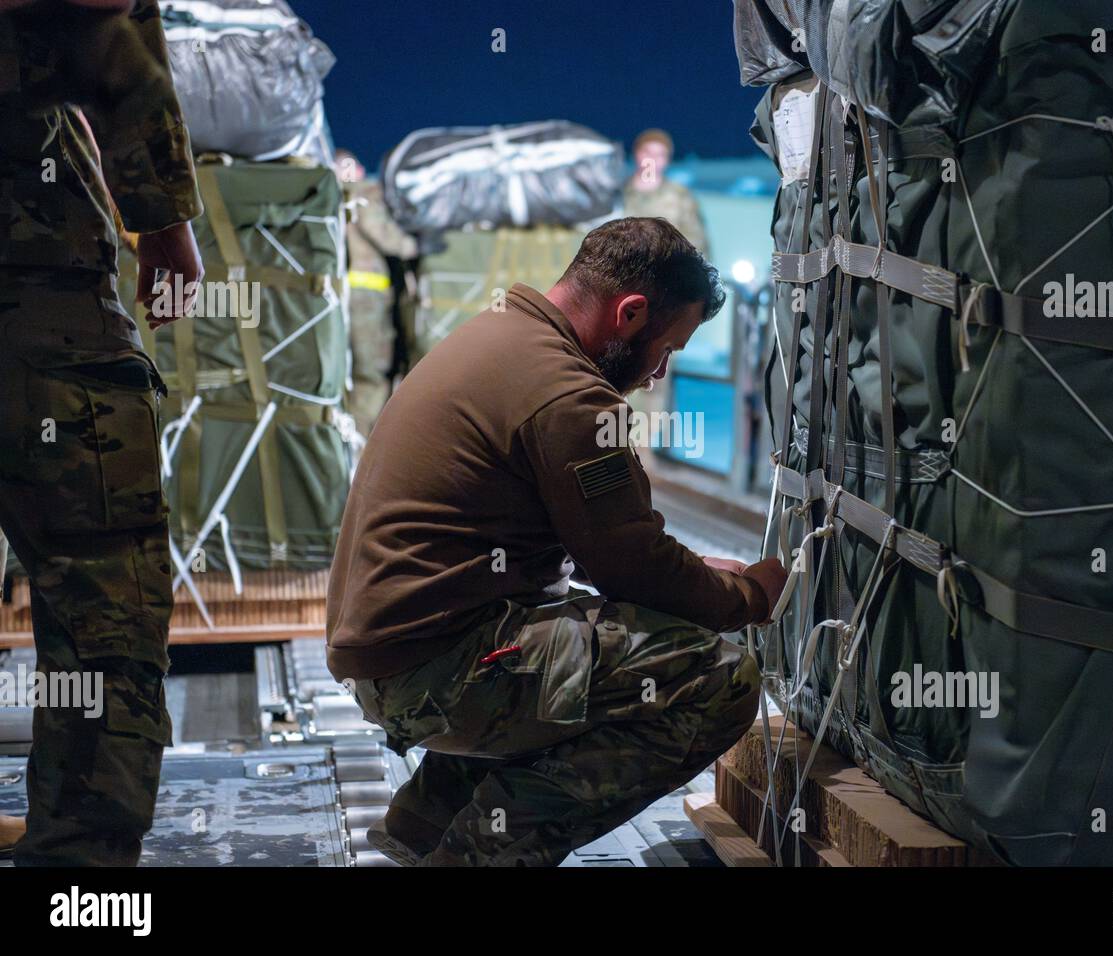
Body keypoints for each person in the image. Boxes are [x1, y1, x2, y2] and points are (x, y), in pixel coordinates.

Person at [327, 217, 787, 866]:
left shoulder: (499, 336)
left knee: (585, 639)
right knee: (717, 677)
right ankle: (476, 854)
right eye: (667, 349)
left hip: (396, 653)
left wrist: (689, 573)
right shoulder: (568, 394)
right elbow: (633, 569)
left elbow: (611, 548)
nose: (657, 374)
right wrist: (745, 594)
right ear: (630, 313)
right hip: (431, 672)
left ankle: (427, 821)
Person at [0, 0, 203, 865]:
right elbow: (99, 28)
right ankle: (75, 864)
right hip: (32, 281)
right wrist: (163, 219)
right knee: (100, 587)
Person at [334, 149, 417, 437]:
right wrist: (417, 245)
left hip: (331, 298)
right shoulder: (362, 193)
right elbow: (383, 234)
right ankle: (362, 447)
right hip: (365, 300)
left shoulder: (321, 199)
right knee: (371, 376)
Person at [622, 129, 710, 257]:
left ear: (667, 160)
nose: (653, 159)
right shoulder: (616, 194)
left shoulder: (681, 196)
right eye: (647, 152)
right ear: (636, 153)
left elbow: (697, 242)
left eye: (660, 154)